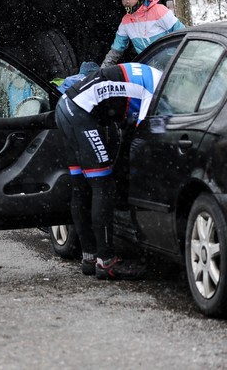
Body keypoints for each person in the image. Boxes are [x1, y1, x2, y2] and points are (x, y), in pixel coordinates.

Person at [55, 62, 162, 280]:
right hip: (80, 114)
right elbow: (142, 136)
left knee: (81, 187)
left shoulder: (153, 75)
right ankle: (106, 261)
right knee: (103, 185)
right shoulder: (157, 91)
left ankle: (90, 257)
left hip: (65, 107)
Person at [101, 0, 184, 67]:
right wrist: (103, 69)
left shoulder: (158, 10)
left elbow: (181, 32)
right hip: (148, 65)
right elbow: (117, 47)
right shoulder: (126, 21)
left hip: (171, 62)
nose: (125, 2)